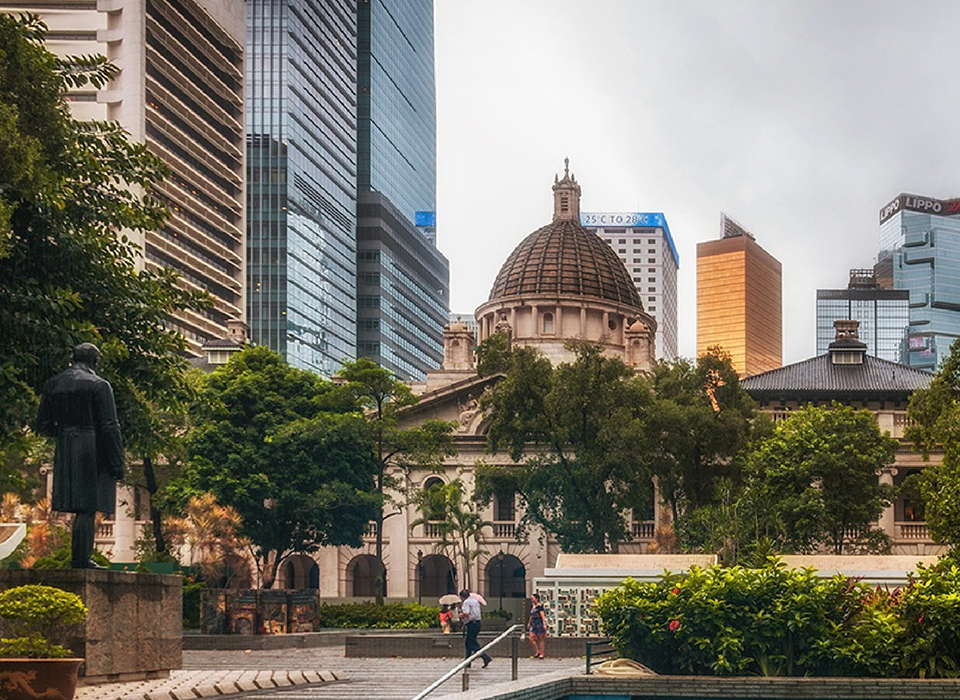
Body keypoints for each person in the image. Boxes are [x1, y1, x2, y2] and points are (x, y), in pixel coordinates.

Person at [36, 343, 124, 569]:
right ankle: (81, 559)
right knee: (87, 506)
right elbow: (109, 425)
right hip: (91, 447)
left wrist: (66, 433)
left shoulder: (52, 384)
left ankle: (80, 558)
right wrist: (116, 461)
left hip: (65, 447)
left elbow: (43, 425)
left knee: (78, 506)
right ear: (95, 361)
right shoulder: (99, 385)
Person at [458, 588, 491, 668]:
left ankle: (485, 657)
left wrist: (461, 615)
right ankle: (467, 662)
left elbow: (467, 613)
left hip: (471, 623)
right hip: (477, 623)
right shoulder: (475, 601)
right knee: (468, 643)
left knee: (472, 643)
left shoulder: (466, 602)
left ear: (462, 597)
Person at [526, 592, 547, 658]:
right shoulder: (533, 607)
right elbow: (531, 616)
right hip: (533, 623)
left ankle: (542, 653)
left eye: (533, 598)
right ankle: (537, 651)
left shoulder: (539, 607)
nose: (532, 600)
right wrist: (529, 623)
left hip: (539, 622)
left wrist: (544, 624)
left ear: (536, 599)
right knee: (531, 637)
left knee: (541, 638)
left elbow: (542, 616)